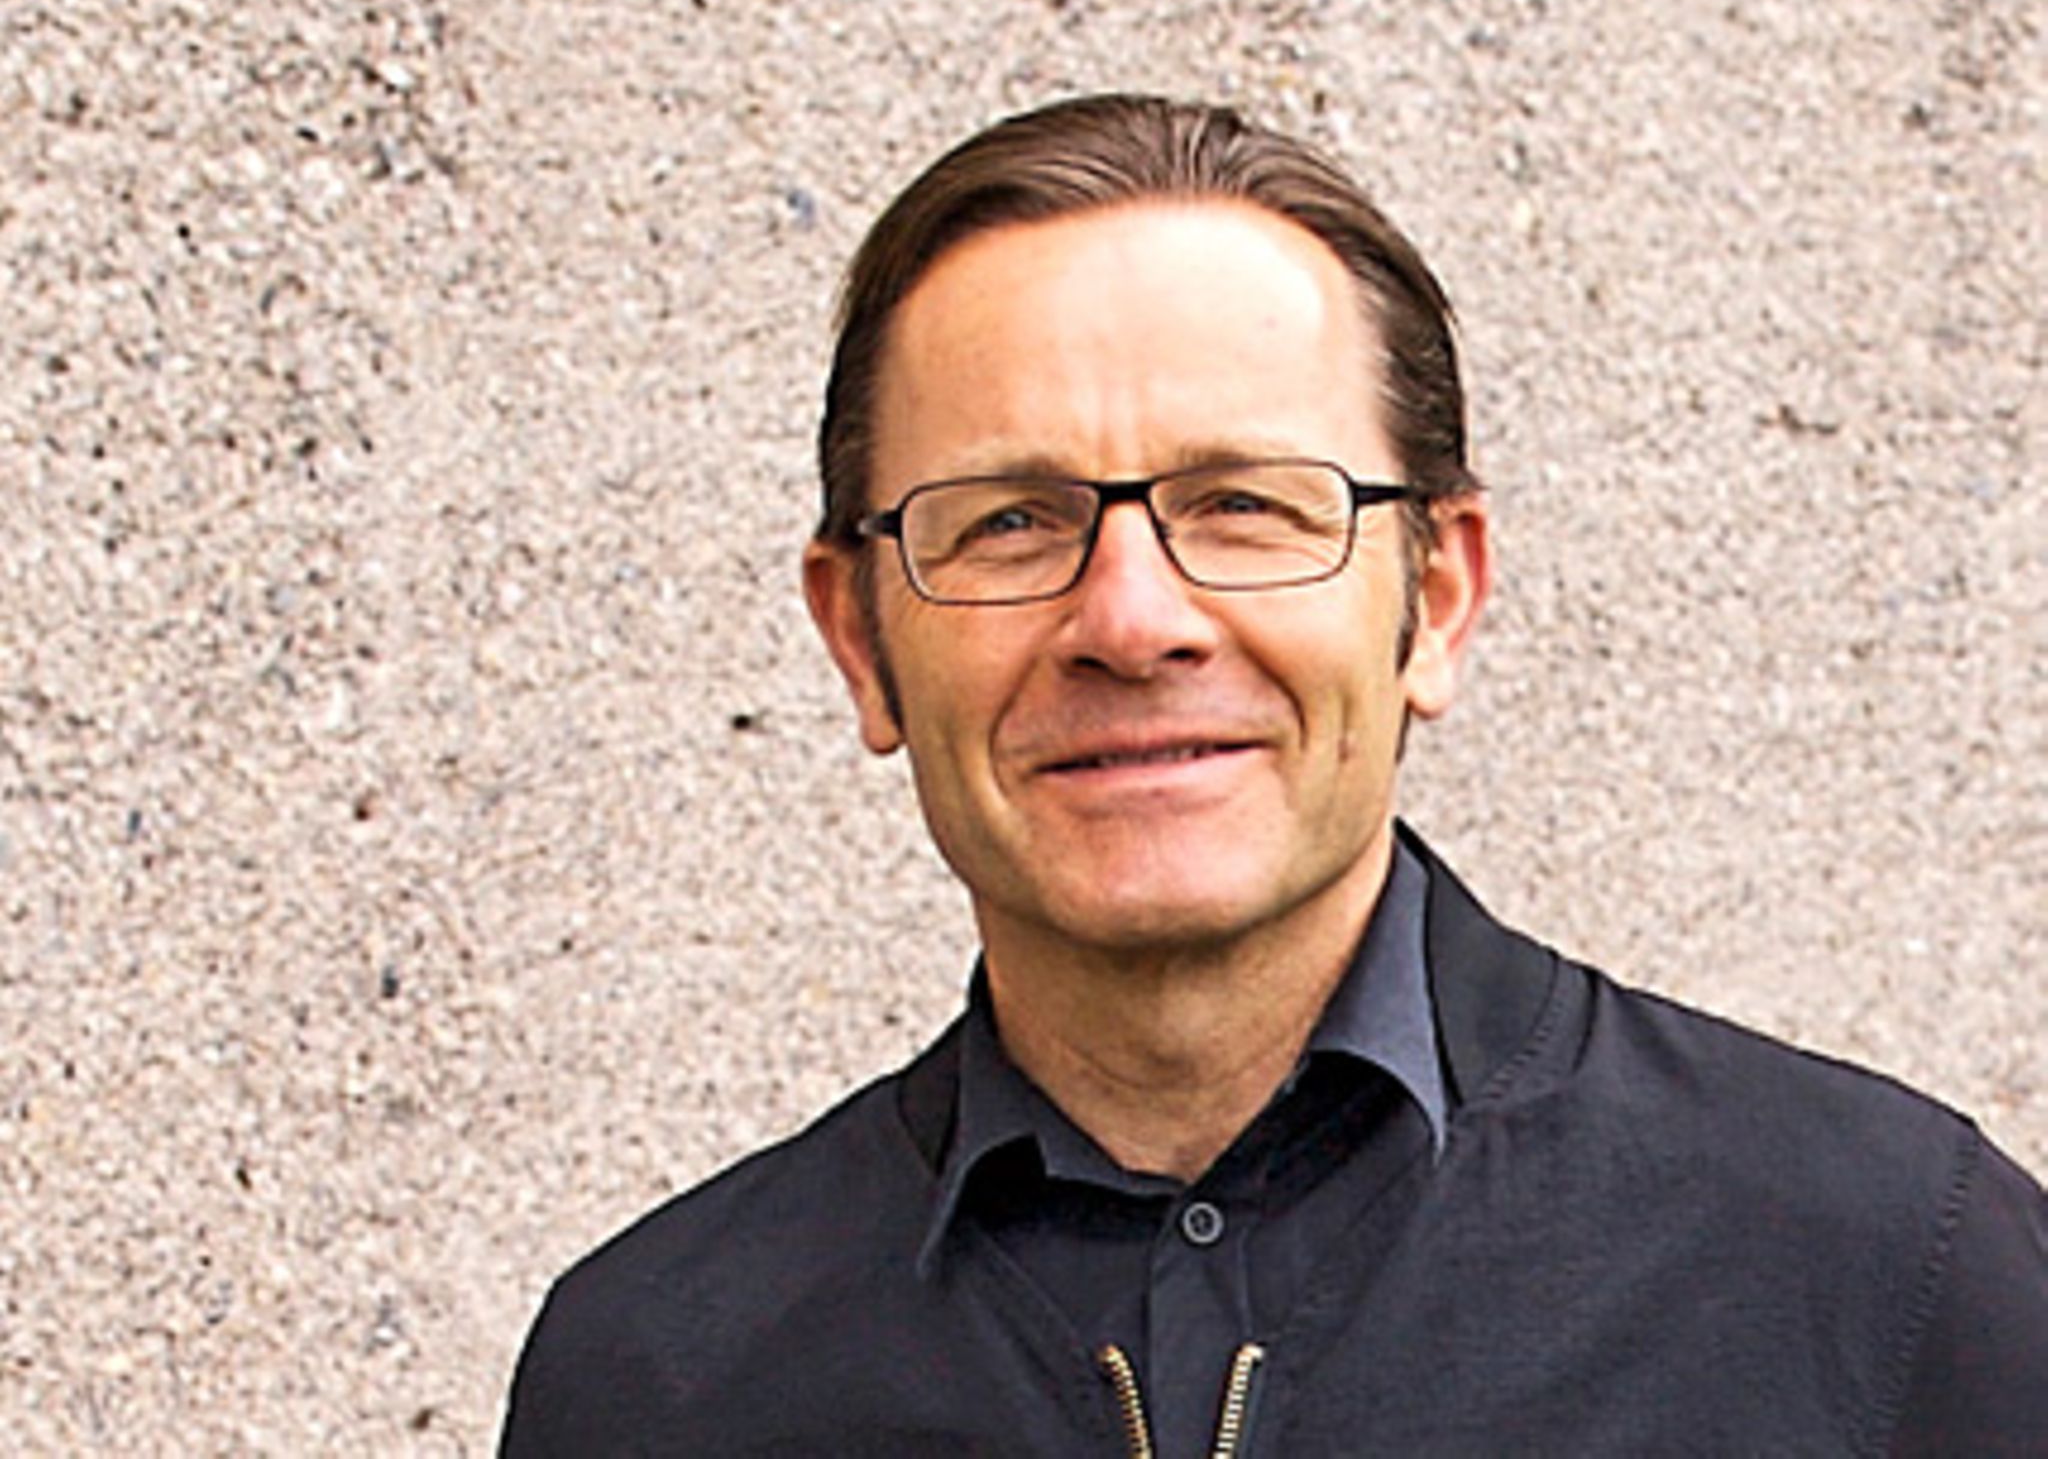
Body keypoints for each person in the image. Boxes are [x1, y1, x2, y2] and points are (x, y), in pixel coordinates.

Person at [502, 94, 2045, 1457]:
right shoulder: (659, 1385)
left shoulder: (1895, 1279)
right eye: (1010, 522)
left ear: (1436, 595)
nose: (1132, 621)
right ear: (859, 636)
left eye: (1244, 504)